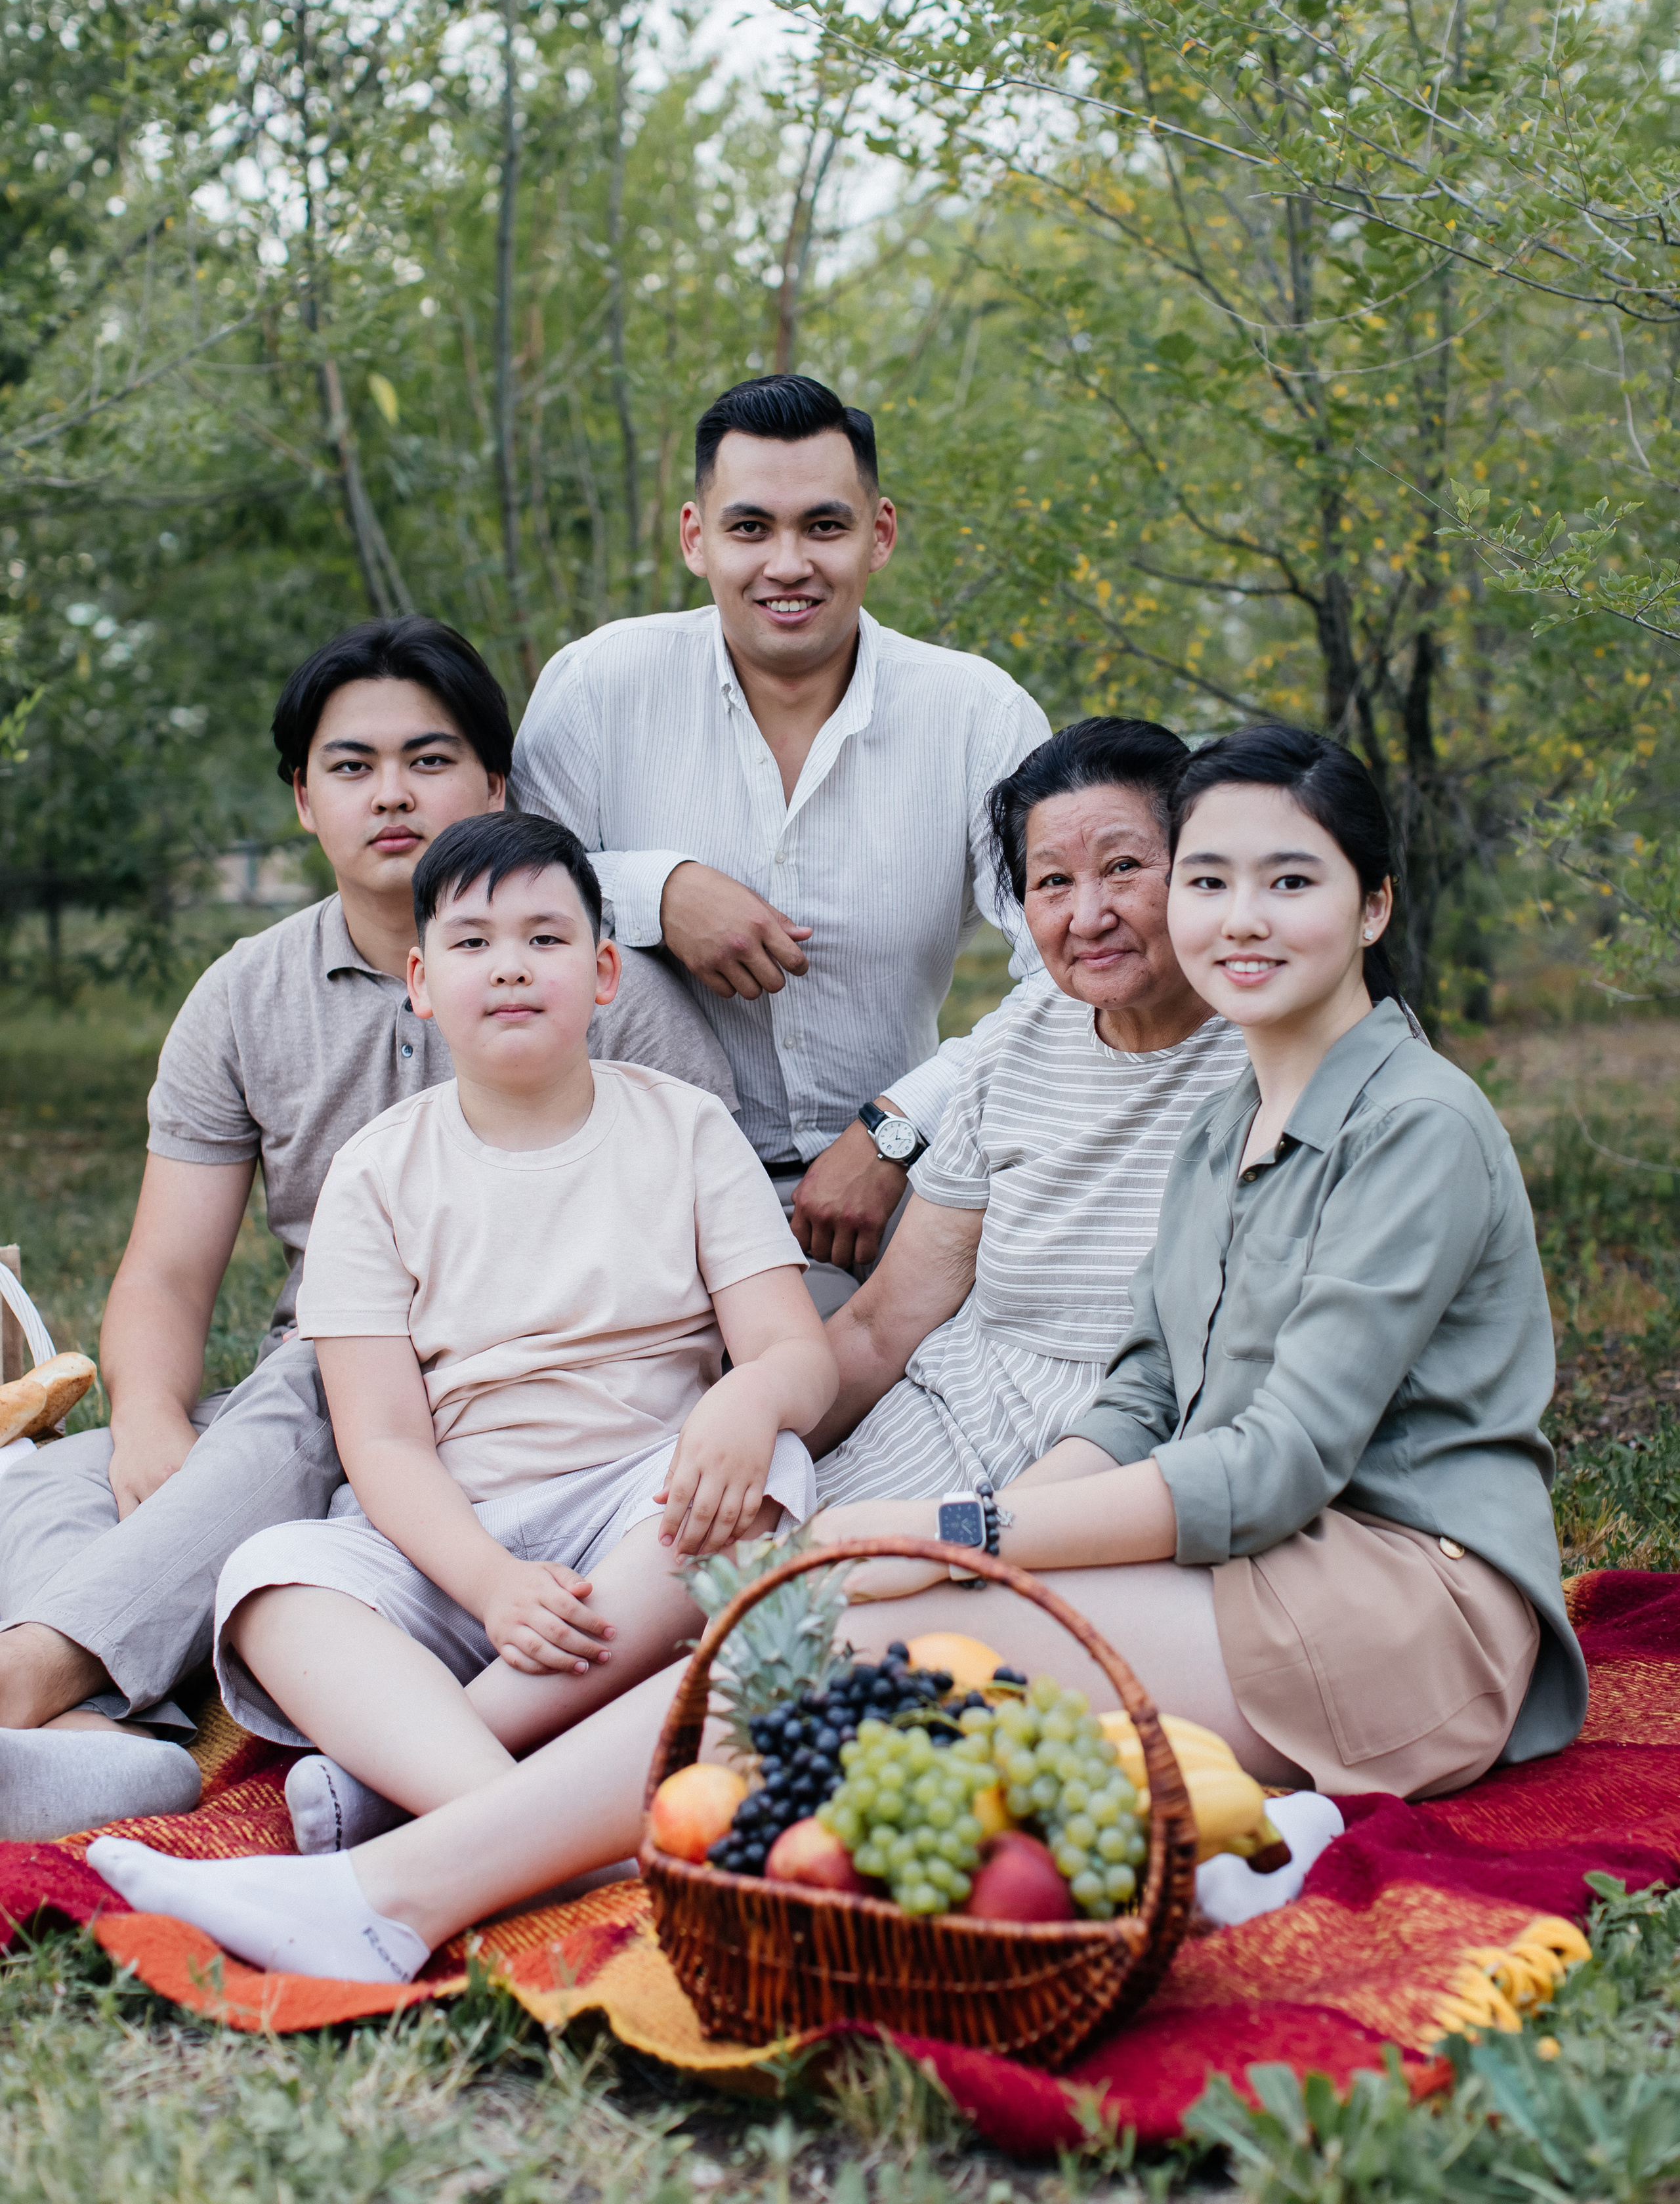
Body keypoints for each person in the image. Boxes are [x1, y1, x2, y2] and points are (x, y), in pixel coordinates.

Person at [87, 725, 1589, 1979]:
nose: (1231, 915)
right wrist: (959, 1541)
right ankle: (1205, 1841)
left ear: (1373, 907)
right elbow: (1144, 1382)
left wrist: (970, 1533)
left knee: (856, 1642)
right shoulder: (1239, 1101)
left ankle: (395, 1898)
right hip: (1250, 1559)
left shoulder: (1406, 1123)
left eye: (1285, 882)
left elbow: (1269, 1462)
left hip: (1399, 1597)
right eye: (1210, 879)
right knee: (831, 1608)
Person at [0, 619, 733, 1839]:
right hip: (334, 1370)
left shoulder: (602, 984)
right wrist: (142, 1418)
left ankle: (21, 1686)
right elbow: (169, 1273)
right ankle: (107, 1746)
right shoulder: (246, 993)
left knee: (299, 1397)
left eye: (430, 759)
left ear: (495, 785)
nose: (391, 793)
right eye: (350, 766)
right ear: (302, 800)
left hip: (500, 1400)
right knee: (43, 1479)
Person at [209, 811, 831, 1866]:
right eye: (472, 943)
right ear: (420, 980)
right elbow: (386, 1442)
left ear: (601, 975)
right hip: (451, 1542)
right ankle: (546, 1827)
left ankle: (408, 1781)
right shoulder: (375, 1170)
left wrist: (751, 1395)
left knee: (767, 1475)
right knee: (269, 1580)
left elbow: (797, 1356)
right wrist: (490, 1585)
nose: (509, 968)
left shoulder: (684, 1129)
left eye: (544, 940)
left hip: (637, 1523)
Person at [510, 374, 1053, 1315]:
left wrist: (901, 1128)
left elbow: (1069, 974)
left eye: (825, 528)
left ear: (880, 535)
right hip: (633, 1189)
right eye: (751, 528)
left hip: (906, 1192)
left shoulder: (980, 717)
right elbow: (503, 911)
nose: (788, 564)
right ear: (695, 537)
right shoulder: (600, 687)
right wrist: (657, 891)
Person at [810, 716, 1248, 1502]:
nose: (1086, 917)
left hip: (1139, 1466)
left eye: (1122, 867)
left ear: (1202, 872)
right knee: (726, 1582)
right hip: (946, 1427)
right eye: (1051, 882)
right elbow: (881, 1328)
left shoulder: (1276, 1050)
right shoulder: (1023, 1031)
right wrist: (738, 1453)